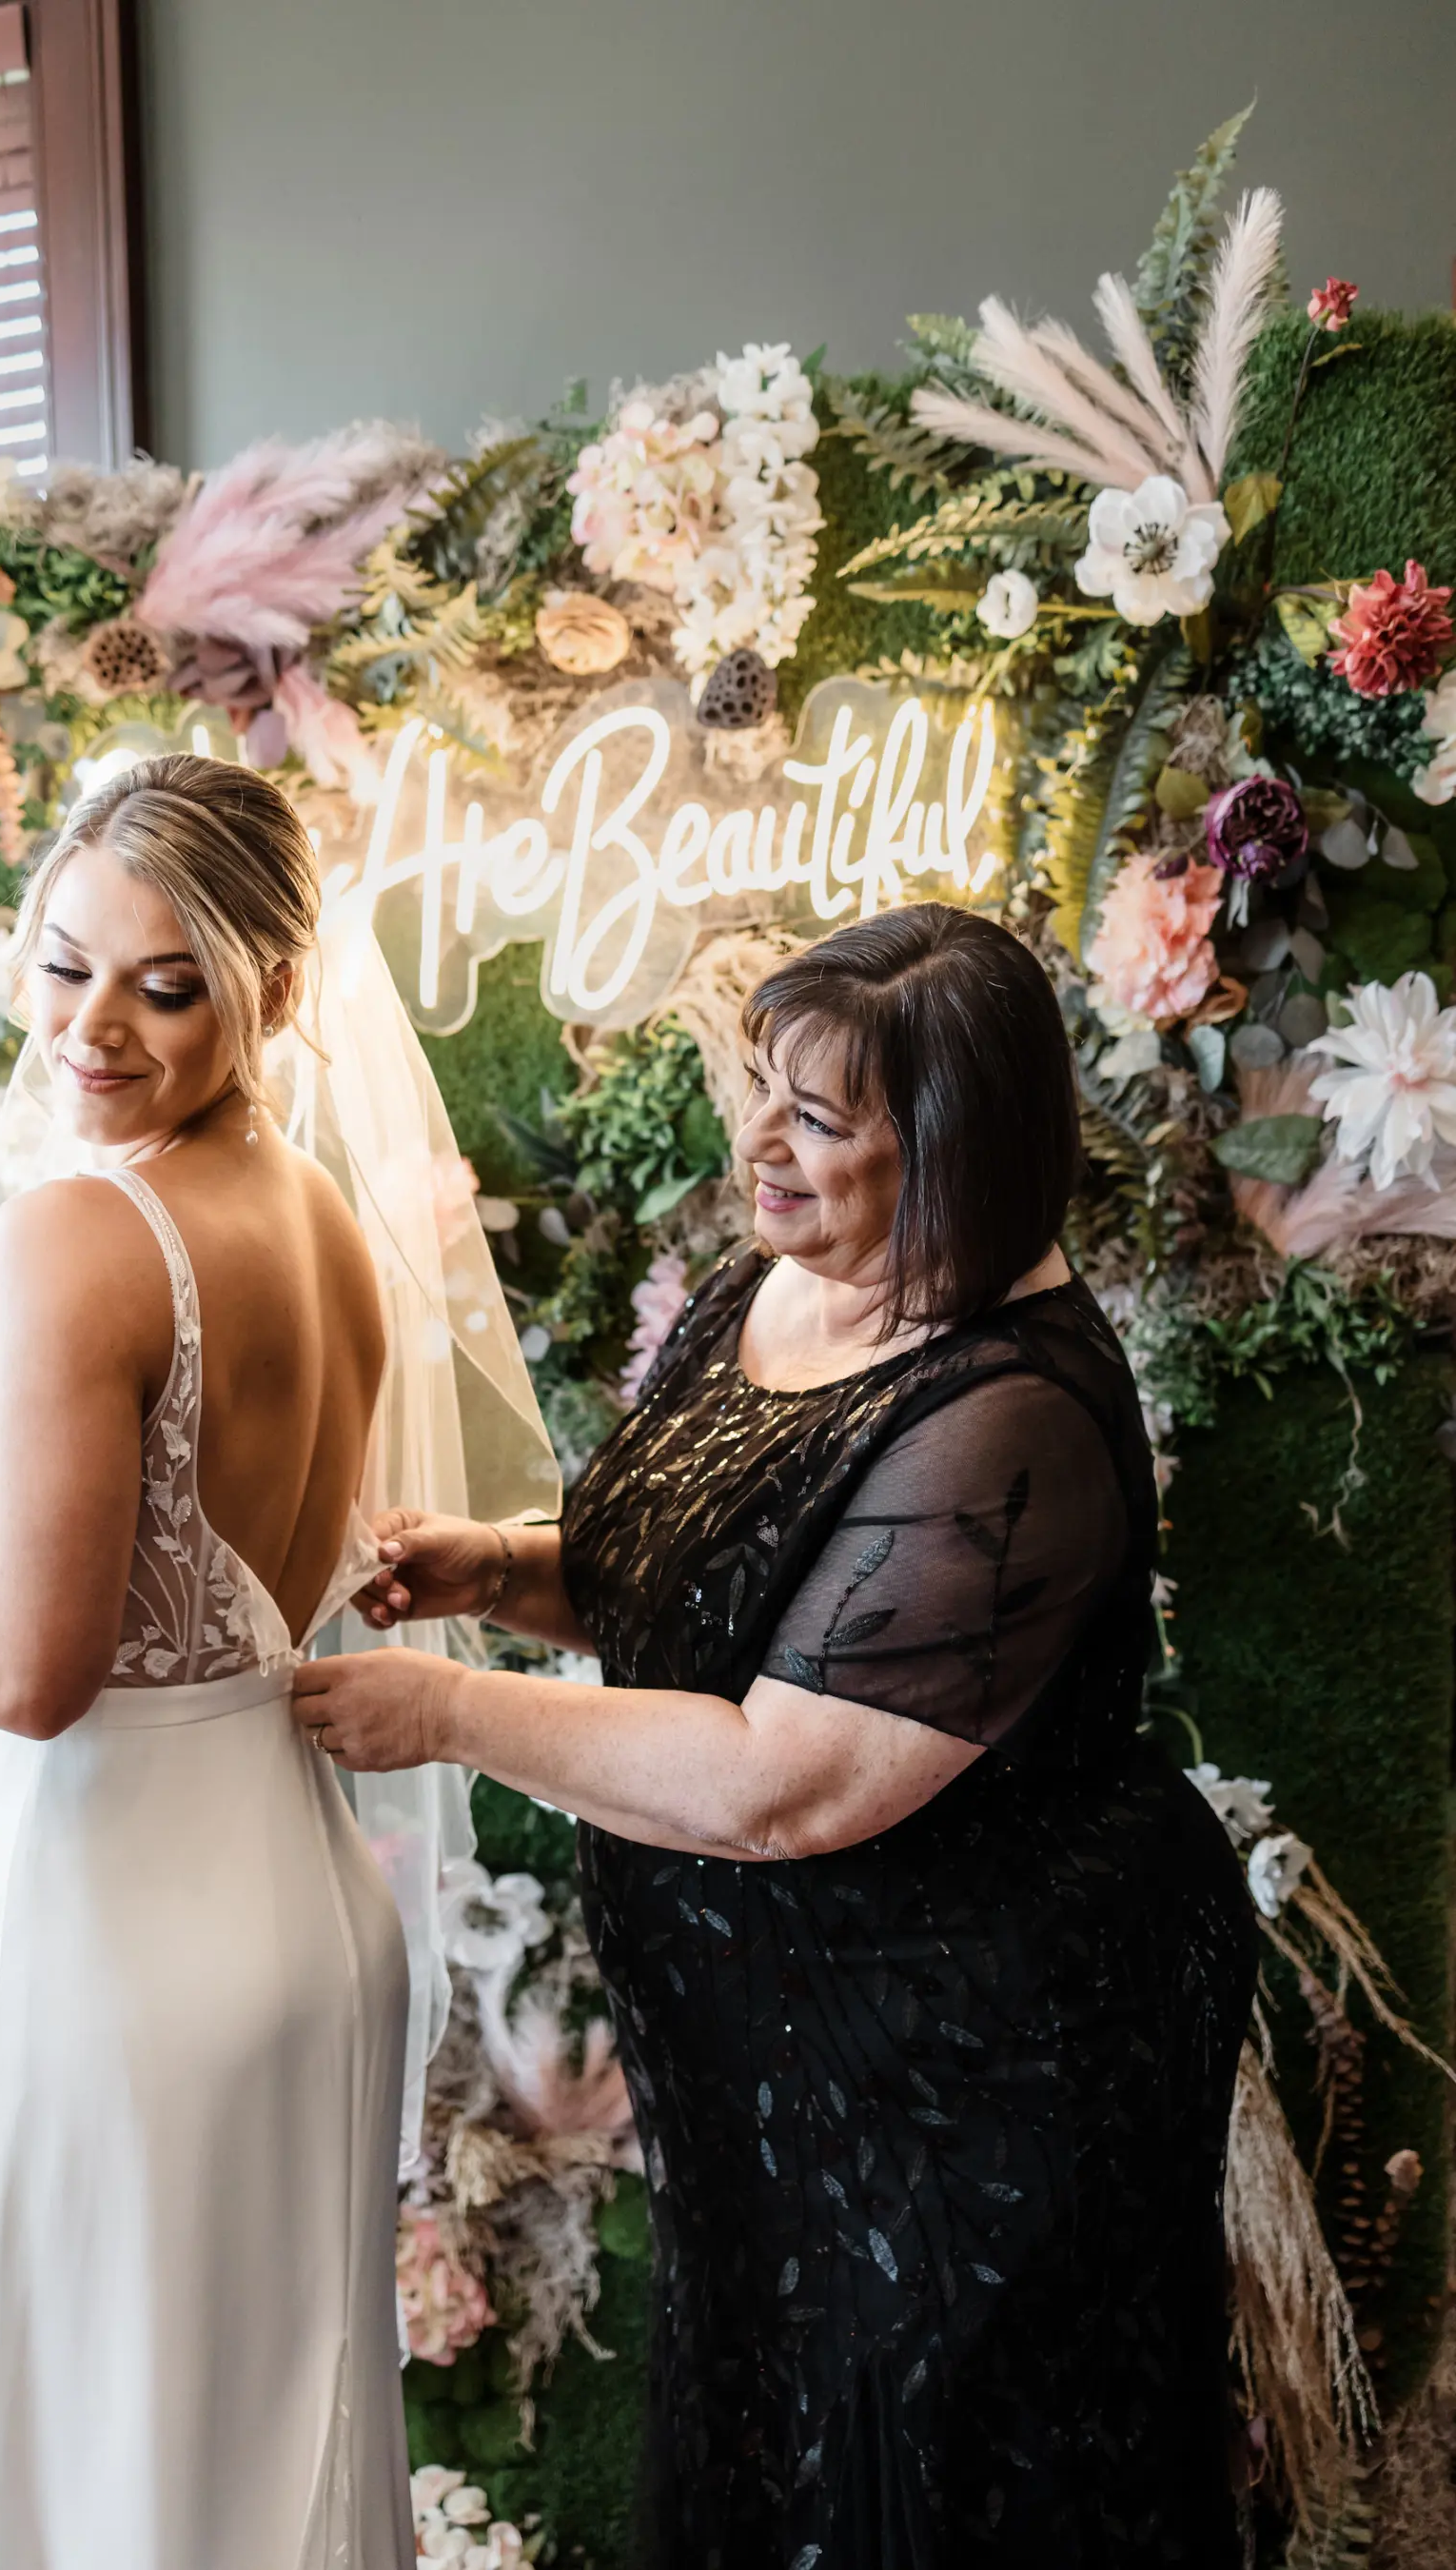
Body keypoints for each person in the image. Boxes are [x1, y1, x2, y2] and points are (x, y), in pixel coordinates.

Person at [298, 905, 1259, 2569]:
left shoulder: (1008, 1419)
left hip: (975, 2072)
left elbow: (785, 1778)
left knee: (940, 2479)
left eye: (818, 1119)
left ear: (959, 1151)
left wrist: (454, 1708)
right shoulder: (783, 1281)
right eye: (762, 1089)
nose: (758, 1145)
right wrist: (508, 1570)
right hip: (785, 2071)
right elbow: (727, 1585)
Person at [0, 758, 431, 2570]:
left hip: (110, 1938)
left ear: (274, 992)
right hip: (295, 1918)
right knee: (249, 2483)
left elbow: (35, 1670)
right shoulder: (329, 1231)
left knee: (93, 2483)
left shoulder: (80, 1232)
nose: (96, 1028)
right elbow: (185, 1607)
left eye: (169, 983)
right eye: (67, 965)